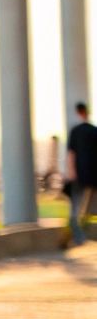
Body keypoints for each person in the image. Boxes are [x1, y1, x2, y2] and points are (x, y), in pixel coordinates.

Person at [67, 103, 96, 246]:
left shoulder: (76, 131)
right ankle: (79, 234)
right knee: (86, 208)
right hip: (91, 174)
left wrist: (71, 172)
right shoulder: (93, 130)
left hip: (80, 174)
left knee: (77, 207)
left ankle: (79, 234)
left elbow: (71, 153)